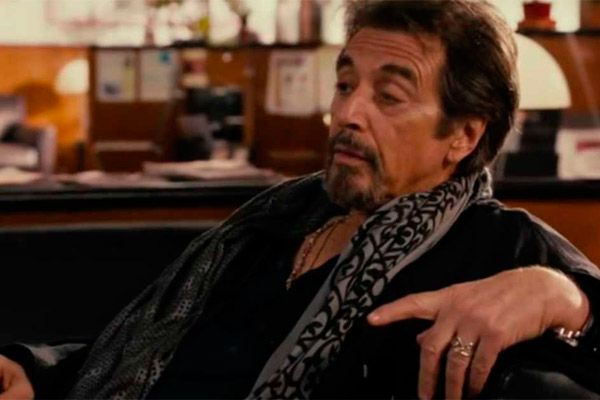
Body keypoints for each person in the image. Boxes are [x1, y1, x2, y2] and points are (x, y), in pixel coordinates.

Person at [1, 1, 600, 399]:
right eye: (344, 84)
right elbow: (160, 353)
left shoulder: (498, 244)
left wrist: (568, 298)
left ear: (464, 135)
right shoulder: (277, 220)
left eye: (388, 97)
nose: (346, 113)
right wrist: (38, 374)